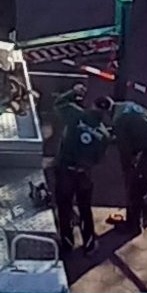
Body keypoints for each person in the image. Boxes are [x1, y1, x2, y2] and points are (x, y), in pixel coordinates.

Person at [97, 94, 147, 231]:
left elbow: (126, 154)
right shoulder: (125, 105)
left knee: (137, 185)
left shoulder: (119, 121)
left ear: (104, 111)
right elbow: (134, 128)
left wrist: (129, 172)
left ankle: (134, 225)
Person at [49, 83, 108, 255]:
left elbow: (59, 104)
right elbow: (98, 159)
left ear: (92, 106)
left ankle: (67, 242)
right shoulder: (103, 135)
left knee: (64, 207)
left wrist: (73, 92)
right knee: (84, 207)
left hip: (65, 170)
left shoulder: (76, 115)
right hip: (83, 175)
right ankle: (89, 242)